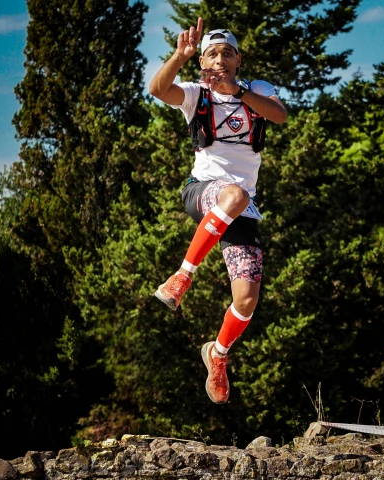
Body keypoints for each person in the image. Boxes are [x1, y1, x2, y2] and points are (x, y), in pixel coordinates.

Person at [147, 18, 287, 404]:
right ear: (202, 63)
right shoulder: (196, 94)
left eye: (228, 53)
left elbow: (279, 115)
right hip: (202, 192)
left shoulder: (255, 90)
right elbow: (158, 89)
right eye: (212, 54)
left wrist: (238, 91)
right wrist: (180, 55)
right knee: (235, 196)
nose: (220, 59)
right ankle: (181, 277)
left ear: (239, 60)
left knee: (246, 299)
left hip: (241, 205)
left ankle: (218, 354)